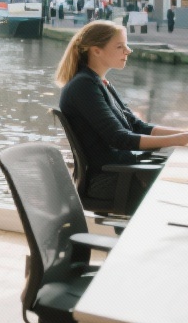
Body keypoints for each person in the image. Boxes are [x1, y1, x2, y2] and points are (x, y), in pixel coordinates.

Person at [55, 21, 188, 204]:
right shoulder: (83, 86)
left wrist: (182, 135)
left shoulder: (100, 83)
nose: (128, 51)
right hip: (109, 180)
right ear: (96, 50)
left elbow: (137, 126)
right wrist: (178, 140)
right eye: (120, 46)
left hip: (122, 173)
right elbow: (119, 138)